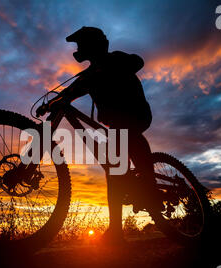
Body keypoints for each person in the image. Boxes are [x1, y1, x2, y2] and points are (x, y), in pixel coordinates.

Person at [44, 26, 161, 244]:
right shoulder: (87, 77)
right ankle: (116, 230)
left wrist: (108, 69)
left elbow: (137, 61)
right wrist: (51, 103)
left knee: (127, 139)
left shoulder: (114, 59)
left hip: (137, 115)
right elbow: (69, 93)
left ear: (93, 45)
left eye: (81, 44)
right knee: (113, 170)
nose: (78, 49)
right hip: (116, 124)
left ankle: (150, 187)